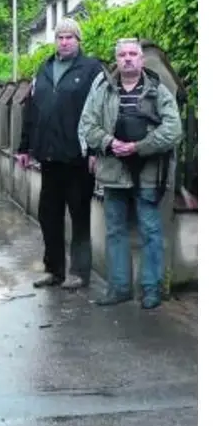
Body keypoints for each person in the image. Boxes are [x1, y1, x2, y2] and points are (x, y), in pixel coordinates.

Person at [78, 38, 183, 308]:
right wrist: (110, 142)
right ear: (117, 60)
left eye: (132, 54)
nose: (127, 58)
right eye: (122, 54)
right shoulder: (102, 90)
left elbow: (173, 130)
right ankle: (119, 288)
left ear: (141, 59)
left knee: (151, 231)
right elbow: (87, 125)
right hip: (113, 172)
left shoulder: (158, 90)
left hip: (148, 174)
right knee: (115, 231)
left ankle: (151, 290)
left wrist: (140, 146)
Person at [16, 18, 106, 290]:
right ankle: (54, 270)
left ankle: (79, 272)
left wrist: (94, 150)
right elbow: (31, 110)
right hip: (49, 157)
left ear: (78, 40)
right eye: (60, 37)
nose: (64, 42)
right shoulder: (44, 69)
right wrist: (24, 147)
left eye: (70, 37)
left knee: (79, 216)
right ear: (55, 41)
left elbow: (101, 112)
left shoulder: (92, 69)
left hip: (78, 158)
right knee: (49, 216)